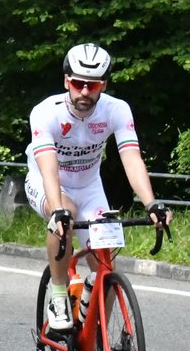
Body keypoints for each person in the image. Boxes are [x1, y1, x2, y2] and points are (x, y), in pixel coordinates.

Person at [25, 42, 170, 331]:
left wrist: (151, 204)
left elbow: (131, 158)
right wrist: (57, 210)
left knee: (105, 261)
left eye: (93, 85)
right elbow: (48, 165)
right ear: (67, 80)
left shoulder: (117, 110)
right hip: (47, 181)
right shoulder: (45, 112)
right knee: (65, 213)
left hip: (90, 186)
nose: (84, 92)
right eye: (78, 83)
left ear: (103, 84)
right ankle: (57, 295)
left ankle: (97, 341)